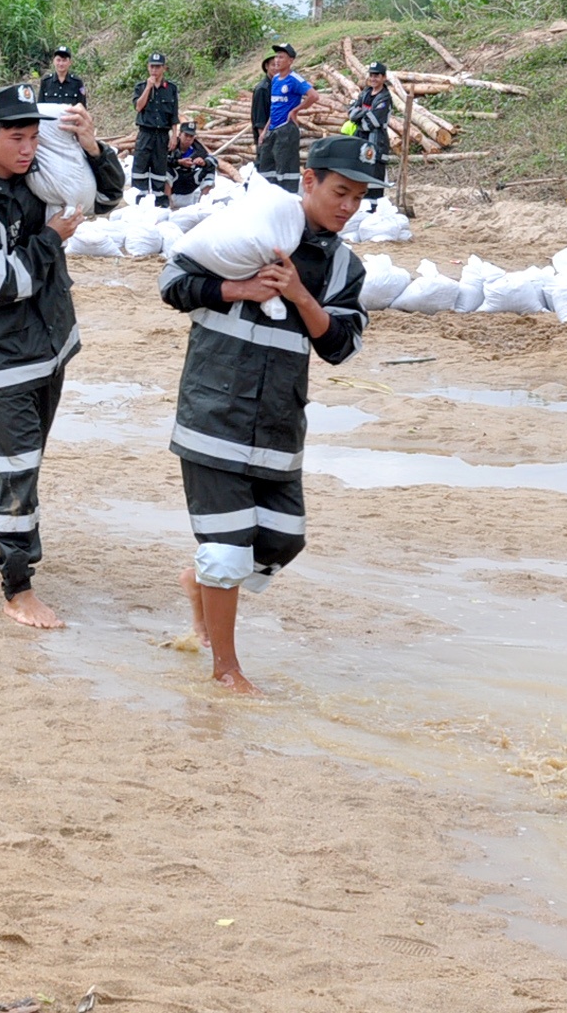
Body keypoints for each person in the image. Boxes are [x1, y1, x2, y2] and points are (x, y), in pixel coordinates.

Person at [161, 134, 375, 692]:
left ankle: (200, 582)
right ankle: (226, 670)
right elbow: (173, 283)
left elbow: (342, 347)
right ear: (309, 181)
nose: (348, 207)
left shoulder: (344, 267)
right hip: (214, 411)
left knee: (282, 539)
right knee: (229, 550)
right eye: (340, 192)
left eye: (359, 197)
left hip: (279, 423)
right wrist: (237, 288)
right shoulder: (248, 229)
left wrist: (302, 296)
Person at [0, 82, 126, 627]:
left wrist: (91, 147)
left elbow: (106, 200)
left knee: (19, 456)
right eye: (16, 138)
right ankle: (18, 587)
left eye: (35, 138)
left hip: (49, 347)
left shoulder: (36, 180)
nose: (28, 149)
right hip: (4, 355)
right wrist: (50, 240)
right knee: (19, 466)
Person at [254, 43, 318, 194]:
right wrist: (264, 131)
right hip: (273, 128)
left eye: (281, 57)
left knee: (286, 168)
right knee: (267, 166)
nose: (277, 60)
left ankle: (288, 198)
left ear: (290, 60)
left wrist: (295, 110)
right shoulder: (275, 79)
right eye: (276, 56)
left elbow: (314, 96)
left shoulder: (294, 79)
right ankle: (269, 197)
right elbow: (274, 107)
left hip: (286, 129)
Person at [131, 52, 180, 206]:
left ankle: (160, 206)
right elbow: (138, 107)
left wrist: (174, 136)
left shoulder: (170, 88)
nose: (154, 70)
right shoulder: (141, 87)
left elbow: (174, 114)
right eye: (152, 67)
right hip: (146, 134)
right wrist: (148, 87)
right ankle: (140, 204)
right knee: (140, 169)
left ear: (164, 68)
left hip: (162, 135)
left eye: (158, 67)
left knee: (160, 171)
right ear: (148, 67)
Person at [345, 62, 395, 199]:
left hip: (377, 141)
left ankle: (374, 207)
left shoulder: (385, 98)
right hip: (360, 138)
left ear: (384, 77)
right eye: (371, 75)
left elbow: (371, 123)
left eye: (377, 76)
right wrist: (361, 114)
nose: (373, 78)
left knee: (375, 174)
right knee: (360, 172)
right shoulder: (366, 93)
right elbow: (351, 113)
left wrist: (360, 114)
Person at [167, 122, 232, 209]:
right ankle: (168, 203)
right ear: (180, 134)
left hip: (190, 182)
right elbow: (160, 160)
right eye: (186, 135)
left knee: (210, 167)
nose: (188, 139)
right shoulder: (171, 146)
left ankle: (202, 202)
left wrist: (204, 162)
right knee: (164, 168)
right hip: (174, 184)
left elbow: (214, 160)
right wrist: (178, 162)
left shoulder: (198, 149)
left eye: (191, 136)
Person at [248, 54, 276, 143]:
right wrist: (264, 143)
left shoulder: (278, 86)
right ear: (267, 66)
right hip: (268, 140)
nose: (276, 68)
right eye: (273, 65)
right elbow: (260, 120)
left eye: (279, 65)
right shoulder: (262, 89)